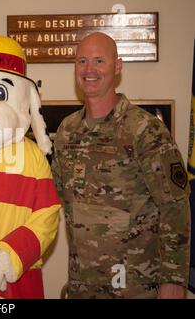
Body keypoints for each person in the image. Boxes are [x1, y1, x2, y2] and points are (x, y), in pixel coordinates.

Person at [52, 32, 191, 298]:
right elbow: (57, 198)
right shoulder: (67, 130)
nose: (89, 69)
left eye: (99, 61)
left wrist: (174, 280)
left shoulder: (145, 130)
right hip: (83, 286)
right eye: (82, 61)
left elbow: (175, 206)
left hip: (135, 287)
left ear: (117, 67)